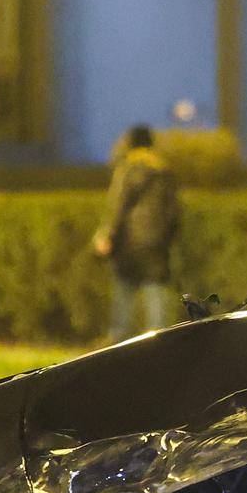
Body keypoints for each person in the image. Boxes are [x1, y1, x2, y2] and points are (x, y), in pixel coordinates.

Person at [92, 125, 181, 341]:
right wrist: (168, 237)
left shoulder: (127, 169)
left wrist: (106, 235)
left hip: (129, 241)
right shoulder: (164, 171)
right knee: (156, 292)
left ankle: (117, 340)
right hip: (156, 242)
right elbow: (174, 211)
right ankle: (159, 340)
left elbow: (118, 206)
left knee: (124, 292)